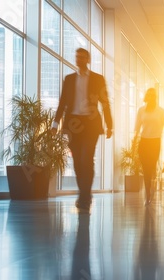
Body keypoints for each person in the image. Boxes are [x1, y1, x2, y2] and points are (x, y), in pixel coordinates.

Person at [52, 48, 113, 212]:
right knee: (78, 162)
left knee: (87, 158)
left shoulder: (97, 79)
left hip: (91, 124)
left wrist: (110, 124)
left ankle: (84, 196)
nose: (79, 59)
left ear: (88, 59)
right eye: (77, 57)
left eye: (82, 57)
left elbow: (105, 102)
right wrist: (55, 124)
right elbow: (63, 102)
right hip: (73, 124)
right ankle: (84, 193)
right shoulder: (69, 79)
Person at [134, 88, 164, 206]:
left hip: (155, 142)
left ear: (155, 97)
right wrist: (133, 143)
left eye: (153, 95)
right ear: (146, 97)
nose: (150, 97)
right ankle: (148, 194)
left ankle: (151, 187)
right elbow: (137, 128)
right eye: (148, 95)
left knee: (151, 166)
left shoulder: (160, 111)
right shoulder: (141, 110)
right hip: (144, 142)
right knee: (146, 168)